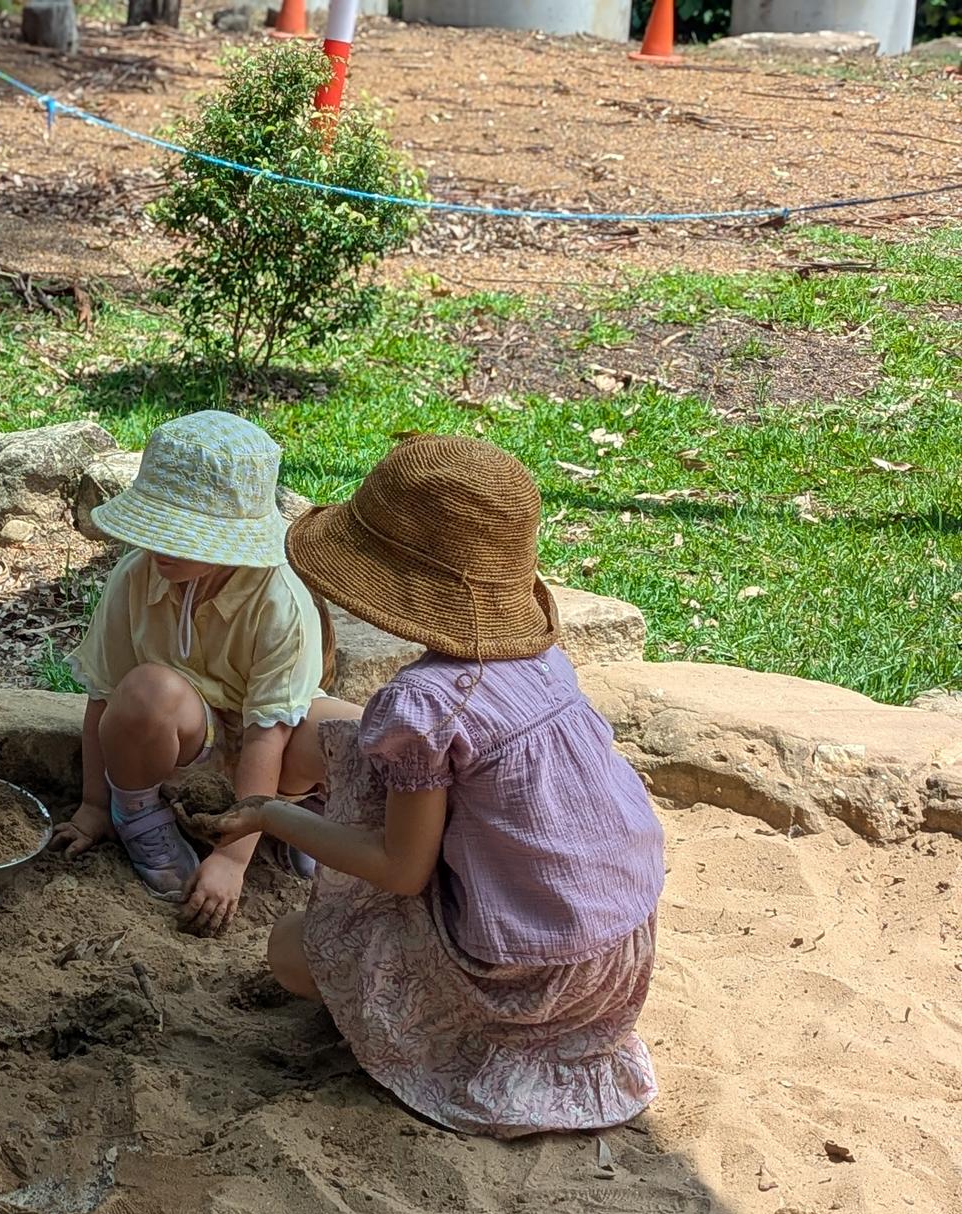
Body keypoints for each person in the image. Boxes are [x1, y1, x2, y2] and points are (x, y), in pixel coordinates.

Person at [200, 435, 664, 1137]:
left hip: (533, 981)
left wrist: (268, 813)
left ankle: (440, 1032)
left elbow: (401, 868)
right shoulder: (541, 660)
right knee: (331, 733)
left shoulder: (423, 703)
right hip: (619, 956)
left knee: (291, 950)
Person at [51, 410, 352, 935]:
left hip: (273, 759)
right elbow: (104, 695)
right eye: (155, 528)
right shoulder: (135, 578)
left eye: (180, 535)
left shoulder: (280, 602)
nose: (159, 548)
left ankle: (304, 823)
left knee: (355, 731)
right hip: (185, 748)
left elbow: (270, 733)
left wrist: (232, 859)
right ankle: (138, 815)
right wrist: (93, 806)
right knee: (146, 690)